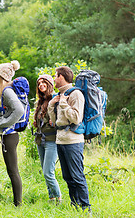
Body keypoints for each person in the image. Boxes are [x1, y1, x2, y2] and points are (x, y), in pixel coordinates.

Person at [48, 66, 91, 212]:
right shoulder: (60, 95)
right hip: (60, 140)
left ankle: (86, 209)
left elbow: (76, 118)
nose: (54, 78)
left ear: (61, 77)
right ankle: (75, 206)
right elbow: (54, 121)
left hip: (73, 141)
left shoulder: (76, 94)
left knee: (77, 176)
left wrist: (64, 103)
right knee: (67, 177)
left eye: (55, 76)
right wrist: (51, 105)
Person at [0, 60, 24, 207]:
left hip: (10, 136)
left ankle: (18, 204)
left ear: (2, 76)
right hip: (9, 135)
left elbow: (19, 110)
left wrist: (3, 123)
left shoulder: (7, 91)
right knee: (11, 169)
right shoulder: (3, 90)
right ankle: (17, 202)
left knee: (13, 170)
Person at [33, 74, 62, 204]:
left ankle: (59, 198)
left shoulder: (56, 99)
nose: (41, 85)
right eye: (39, 83)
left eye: (44, 82)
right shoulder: (40, 101)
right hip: (40, 140)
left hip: (52, 141)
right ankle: (51, 198)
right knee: (46, 172)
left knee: (48, 172)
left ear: (50, 84)